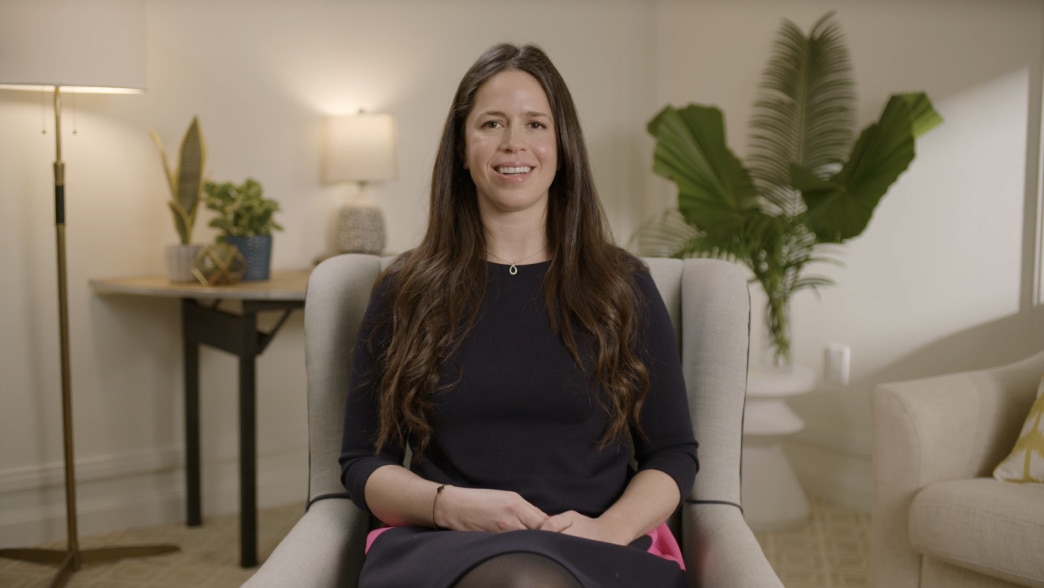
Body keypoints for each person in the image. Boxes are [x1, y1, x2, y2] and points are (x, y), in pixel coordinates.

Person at [339, 42, 699, 588]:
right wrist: (450, 507)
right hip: (443, 543)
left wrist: (610, 529)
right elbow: (363, 462)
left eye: (536, 124)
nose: (514, 143)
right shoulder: (405, 290)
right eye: (491, 123)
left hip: (600, 544)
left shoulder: (623, 286)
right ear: (462, 148)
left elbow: (672, 454)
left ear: (563, 147)